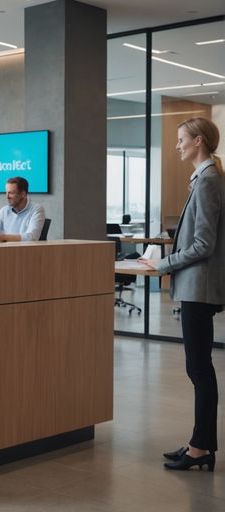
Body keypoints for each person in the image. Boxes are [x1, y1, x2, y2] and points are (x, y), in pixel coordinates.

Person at [140, 117, 224, 472]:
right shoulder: (205, 178)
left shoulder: (207, 181)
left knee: (199, 370)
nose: (176, 146)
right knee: (199, 369)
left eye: (180, 140)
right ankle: (198, 444)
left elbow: (204, 244)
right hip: (196, 287)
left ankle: (200, 448)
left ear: (199, 142)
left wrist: (164, 264)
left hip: (198, 288)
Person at [0, 176, 46, 242]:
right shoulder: (4, 211)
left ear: (23, 194)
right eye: (6, 193)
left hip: (26, 251)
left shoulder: (36, 209)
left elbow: (31, 237)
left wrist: (3, 237)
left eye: (11, 193)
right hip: (6, 250)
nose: (7, 197)